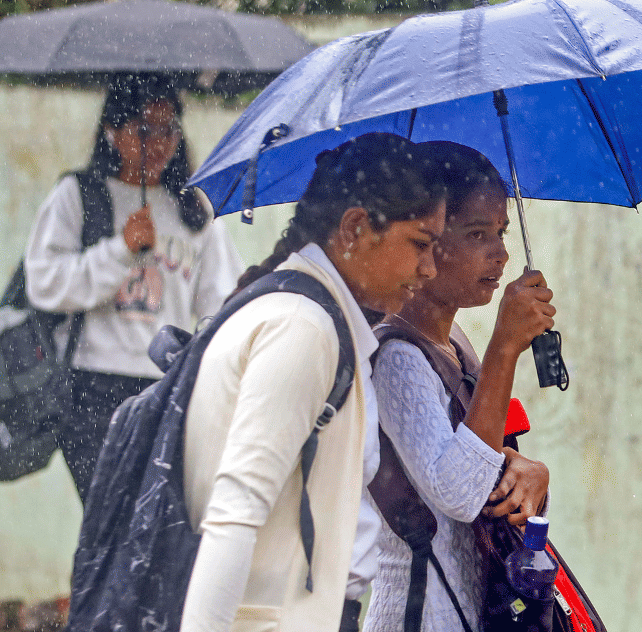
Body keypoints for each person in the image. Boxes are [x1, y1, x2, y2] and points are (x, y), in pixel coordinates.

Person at [178, 132, 451, 632]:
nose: (429, 269)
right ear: (354, 228)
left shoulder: (324, 322)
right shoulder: (301, 330)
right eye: (419, 244)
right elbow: (233, 517)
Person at [24, 73, 242, 503]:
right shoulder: (79, 195)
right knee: (108, 522)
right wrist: (120, 250)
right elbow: (45, 285)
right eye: (143, 129)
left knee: (153, 526)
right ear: (112, 131)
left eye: (169, 130)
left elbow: (222, 301)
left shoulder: (193, 209)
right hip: (92, 388)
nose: (158, 143)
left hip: (165, 385)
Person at [363, 144, 554, 632]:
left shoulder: (454, 345)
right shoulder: (397, 357)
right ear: (424, 243)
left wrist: (530, 474)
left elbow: (485, 470)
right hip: (420, 613)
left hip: (474, 608)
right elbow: (461, 492)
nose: (501, 253)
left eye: (501, 232)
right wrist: (506, 348)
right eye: (476, 234)